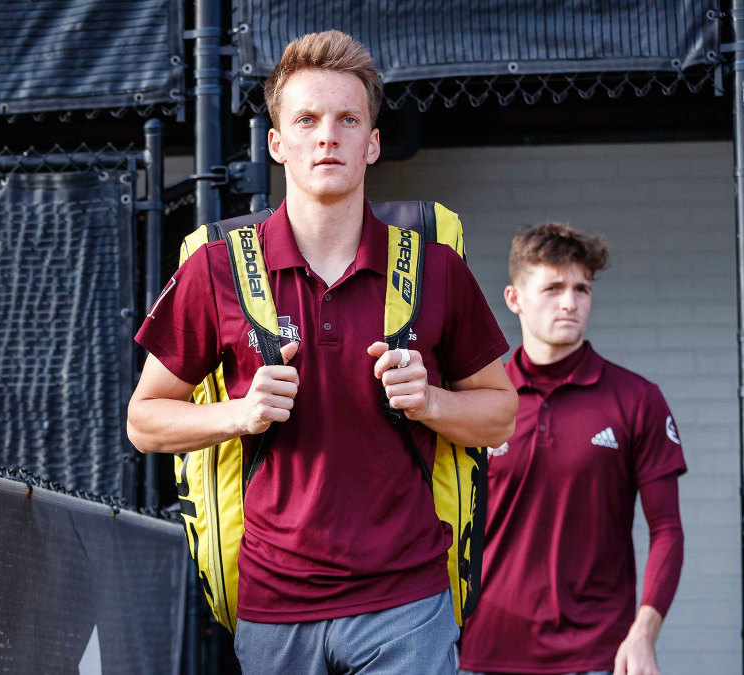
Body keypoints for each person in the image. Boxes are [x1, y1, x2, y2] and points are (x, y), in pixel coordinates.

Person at [128, 30, 517, 675]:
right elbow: (144, 421)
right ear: (277, 143)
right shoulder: (218, 269)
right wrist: (240, 414)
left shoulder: (436, 268)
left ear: (373, 143)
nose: (327, 137)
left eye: (347, 120)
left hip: (407, 605)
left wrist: (430, 401)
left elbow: (500, 414)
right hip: (274, 610)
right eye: (306, 120)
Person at [458, 223, 687, 675]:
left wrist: (643, 633)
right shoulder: (478, 401)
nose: (570, 302)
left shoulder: (637, 400)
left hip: (597, 654)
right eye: (553, 288)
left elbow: (667, 529)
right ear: (514, 299)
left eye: (581, 288)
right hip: (482, 652)